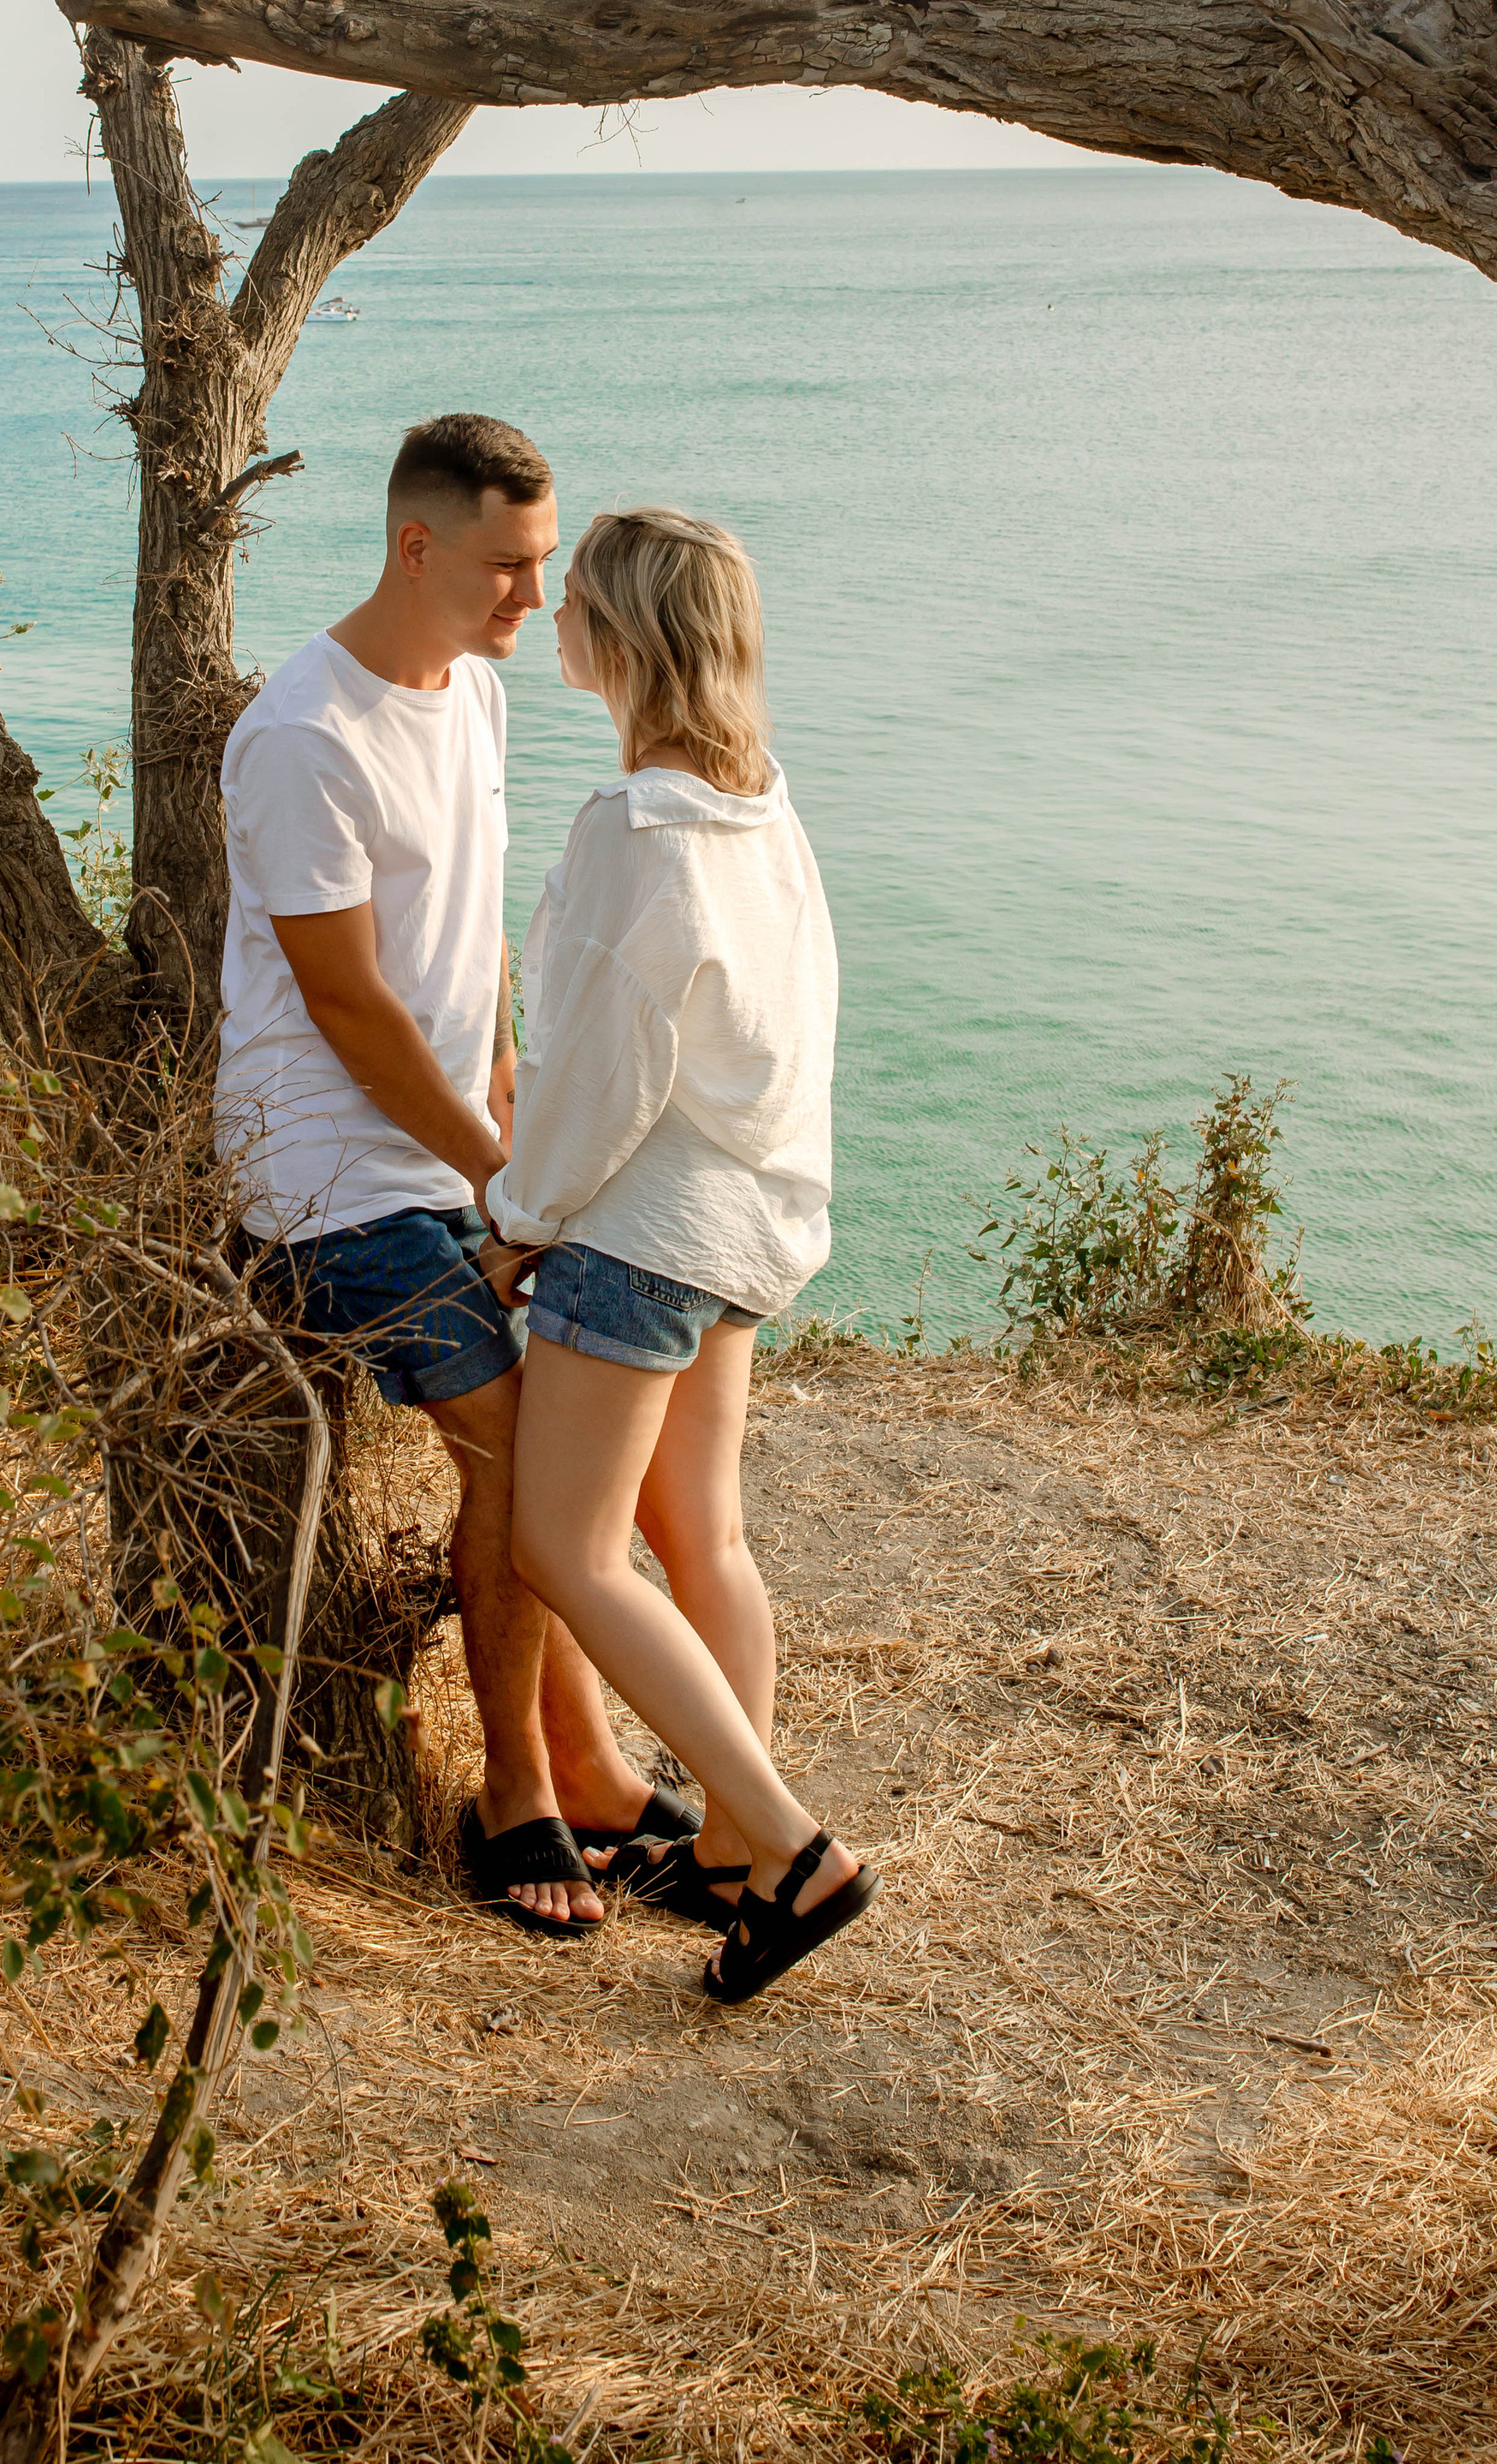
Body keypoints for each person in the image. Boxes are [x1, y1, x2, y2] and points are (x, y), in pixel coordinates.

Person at [216, 414, 694, 1938]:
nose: (529, 601)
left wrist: (511, 1130)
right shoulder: (305, 736)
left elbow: (468, 951)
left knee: (574, 1435)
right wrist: (504, 1170)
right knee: (513, 1450)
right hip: (324, 1181)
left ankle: (597, 1770)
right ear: (413, 544)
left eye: (543, 566)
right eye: (505, 566)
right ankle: (520, 1796)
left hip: (450, 1159)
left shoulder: (475, 698)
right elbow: (348, 1004)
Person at [481, 507, 877, 2005]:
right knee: (700, 1536)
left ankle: (784, 1848)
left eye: (572, 597)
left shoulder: (630, 830)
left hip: (641, 1235)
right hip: (743, 1219)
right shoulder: (762, 805)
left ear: (621, 641)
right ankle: (722, 1846)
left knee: (565, 1548)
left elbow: (596, 1074)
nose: (551, 614)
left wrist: (521, 1218)